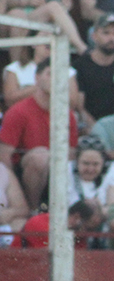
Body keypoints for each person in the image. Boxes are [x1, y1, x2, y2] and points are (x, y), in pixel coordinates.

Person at [0, 58, 79, 210]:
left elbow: (71, 154)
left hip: (56, 172)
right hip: (23, 173)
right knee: (40, 157)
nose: (55, 79)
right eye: (50, 74)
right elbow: (4, 157)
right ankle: (32, 210)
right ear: (37, 77)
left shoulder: (67, 114)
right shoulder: (18, 111)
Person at [66, 136, 114, 236]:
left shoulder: (111, 170)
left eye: (96, 164)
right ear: (77, 162)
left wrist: (98, 209)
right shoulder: (66, 169)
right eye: (86, 163)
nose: (90, 169)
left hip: (102, 228)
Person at [20, 201, 94, 249]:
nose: (87, 234)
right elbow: (52, 256)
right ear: (76, 217)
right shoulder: (40, 223)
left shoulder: (79, 239)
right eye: (88, 228)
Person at [0, 161, 30, 242]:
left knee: (22, 224)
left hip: (2, 225)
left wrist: (10, 213)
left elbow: (22, 209)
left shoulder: (3, 171)